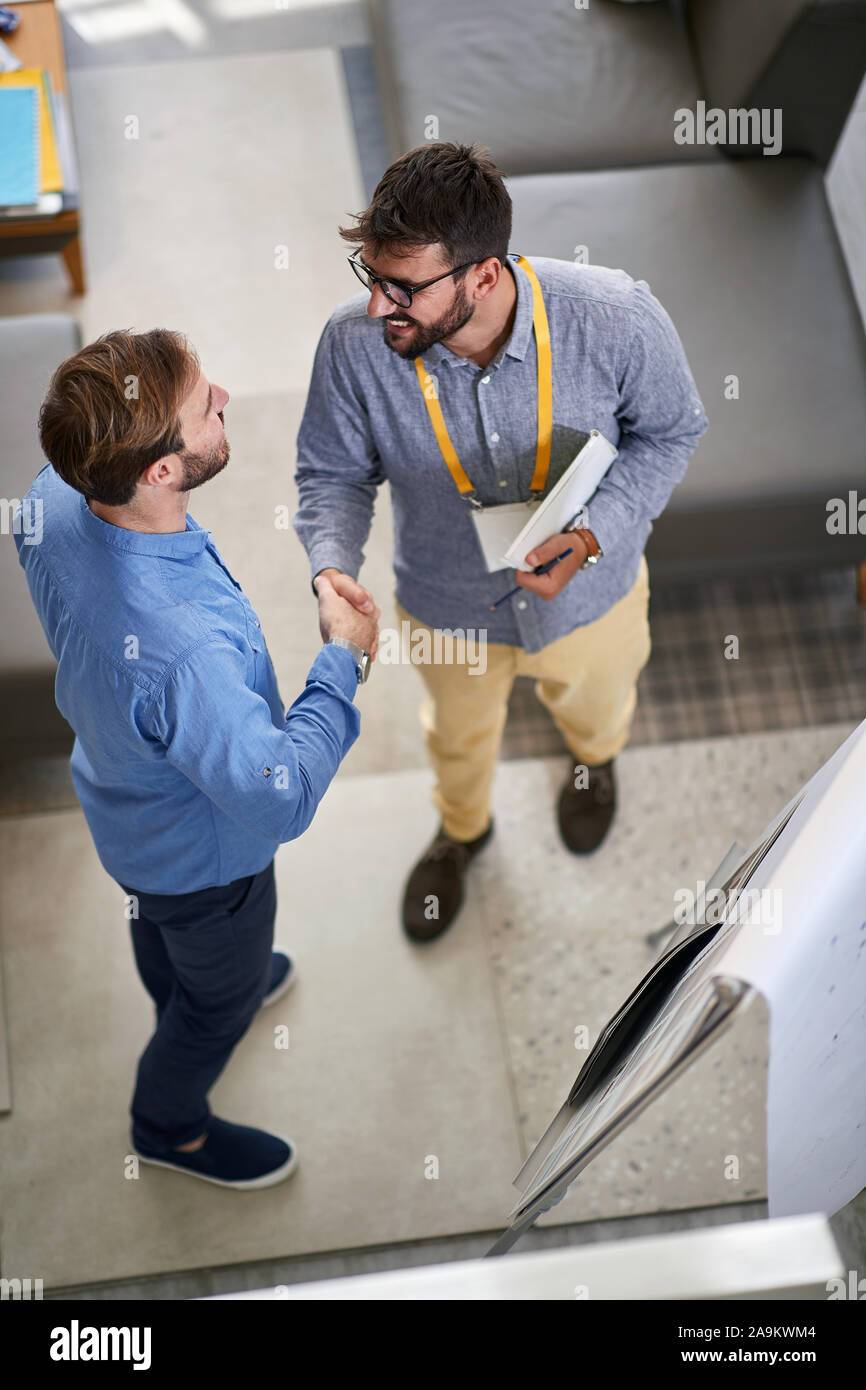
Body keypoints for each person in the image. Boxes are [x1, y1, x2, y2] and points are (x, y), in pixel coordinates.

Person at [294, 141, 709, 943]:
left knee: (597, 710)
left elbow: (672, 432)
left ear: (483, 276)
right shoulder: (352, 346)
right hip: (447, 603)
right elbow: (332, 475)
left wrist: (596, 535)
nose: (380, 308)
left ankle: (593, 767)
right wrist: (330, 566)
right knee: (456, 737)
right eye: (371, 279)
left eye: (403, 287)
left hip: (596, 593)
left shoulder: (617, 320)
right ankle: (463, 831)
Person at [14, 328, 379, 1189]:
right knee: (214, 1003)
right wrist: (346, 658)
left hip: (123, 810)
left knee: (160, 928)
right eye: (203, 403)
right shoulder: (186, 658)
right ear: (161, 473)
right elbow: (280, 797)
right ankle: (168, 1125)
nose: (224, 398)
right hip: (209, 869)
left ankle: (199, 986)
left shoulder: (52, 497)